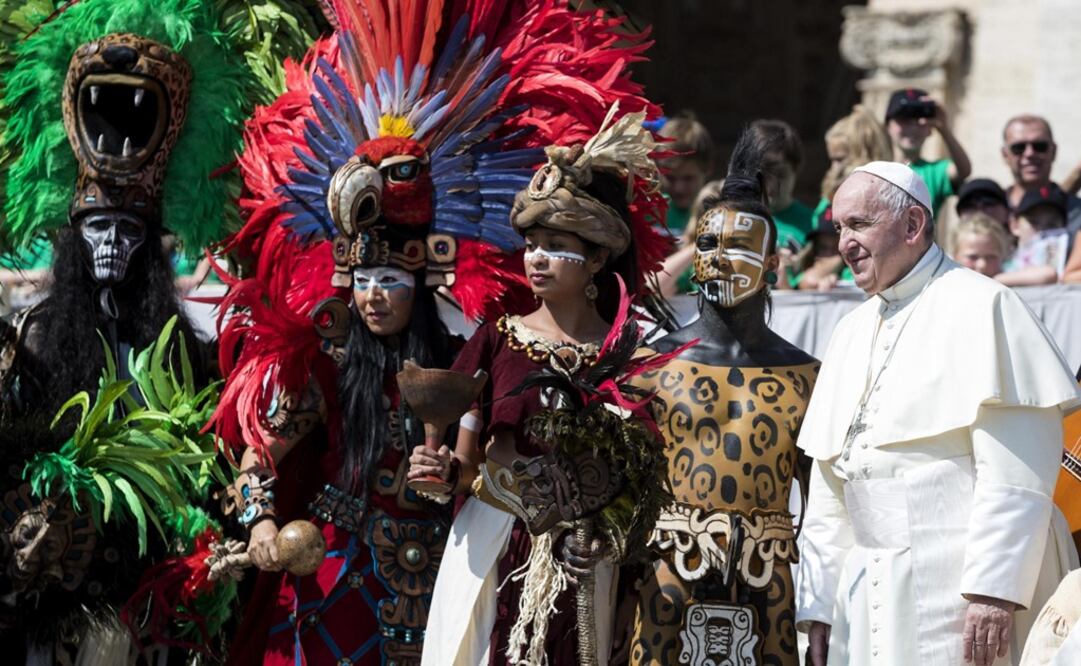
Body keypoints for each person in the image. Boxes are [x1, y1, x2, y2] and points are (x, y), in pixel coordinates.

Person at [0, 1, 306, 660]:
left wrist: (242, 523)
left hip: (161, 601)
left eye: (126, 233)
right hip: (52, 603)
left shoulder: (200, 350)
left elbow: (235, 457)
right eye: (97, 234)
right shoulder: (27, 341)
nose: (111, 248)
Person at [796, 161, 1080, 666]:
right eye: (839, 228)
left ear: (912, 226)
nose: (843, 243)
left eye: (859, 224)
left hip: (960, 585)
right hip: (866, 591)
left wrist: (995, 590)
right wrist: (816, 604)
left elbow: (1017, 472)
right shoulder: (849, 330)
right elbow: (829, 490)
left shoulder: (985, 305)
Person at [416, 108, 671, 666]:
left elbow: (647, 477)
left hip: (591, 560)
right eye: (531, 243)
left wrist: (610, 540)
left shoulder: (630, 354)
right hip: (495, 547)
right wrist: (440, 474)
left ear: (598, 258)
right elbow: (463, 465)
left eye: (556, 244)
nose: (536, 258)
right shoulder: (495, 339)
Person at [627, 129, 819, 666]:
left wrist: (823, 607)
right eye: (709, 244)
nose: (719, 259)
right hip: (667, 584)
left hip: (770, 592)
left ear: (774, 263)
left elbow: (828, 510)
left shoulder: (808, 376)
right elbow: (615, 493)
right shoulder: (651, 366)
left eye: (739, 245)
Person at [803, 105, 891, 291]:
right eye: (831, 160)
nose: (834, 168)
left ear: (863, 154)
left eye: (840, 159)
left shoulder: (885, 196)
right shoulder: (828, 197)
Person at [749, 119, 815, 289]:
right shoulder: (732, 220)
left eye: (780, 174)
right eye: (761, 174)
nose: (771, 184)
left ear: (796, 169)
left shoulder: (814, 224)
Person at [884, 88, 971, 212]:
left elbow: (963, 171)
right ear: (888, 125)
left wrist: (943, 128)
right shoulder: (875, 170)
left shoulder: (934, 172)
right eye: (904, 119)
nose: (912, 127)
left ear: (930, 129)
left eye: (919, 122)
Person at [1001, 115, 1081, 236]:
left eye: (1040, 146)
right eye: (1019, 148)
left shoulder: (1077, 213)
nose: (1029, 153)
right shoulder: (989, 207)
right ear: (1005, 155)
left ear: (1053, 151)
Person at [998, 185, 1070, 286]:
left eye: (1052, 224)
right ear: (1015, 225)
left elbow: (1049, 274)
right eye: (1034, 222)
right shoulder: (1000, 259)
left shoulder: (1070, 263)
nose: (1042, 230)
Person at [659, 113, 715, 237]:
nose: (679, 188)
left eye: (688, 178)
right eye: (670, 178)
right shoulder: (650, 213)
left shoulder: (718, 217)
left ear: (708, 169)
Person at [949, 212, 1012, 279]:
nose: (982, 265)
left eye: (990, 257)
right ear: (955, 255)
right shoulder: (941, 286)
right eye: (972, 257)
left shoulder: (1012, 286)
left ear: (1002, 255)